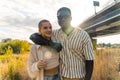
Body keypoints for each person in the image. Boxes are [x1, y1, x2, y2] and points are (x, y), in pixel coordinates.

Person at [30, 7, 94, 80]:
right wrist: (51, 44)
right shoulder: (55, 34)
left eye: (66, 16)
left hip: (79, 77)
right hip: (62, 77)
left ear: (71, 18)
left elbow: (90, 60)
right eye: (60, 17)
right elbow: (33, 37)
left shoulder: (83, 35)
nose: (62, 19)